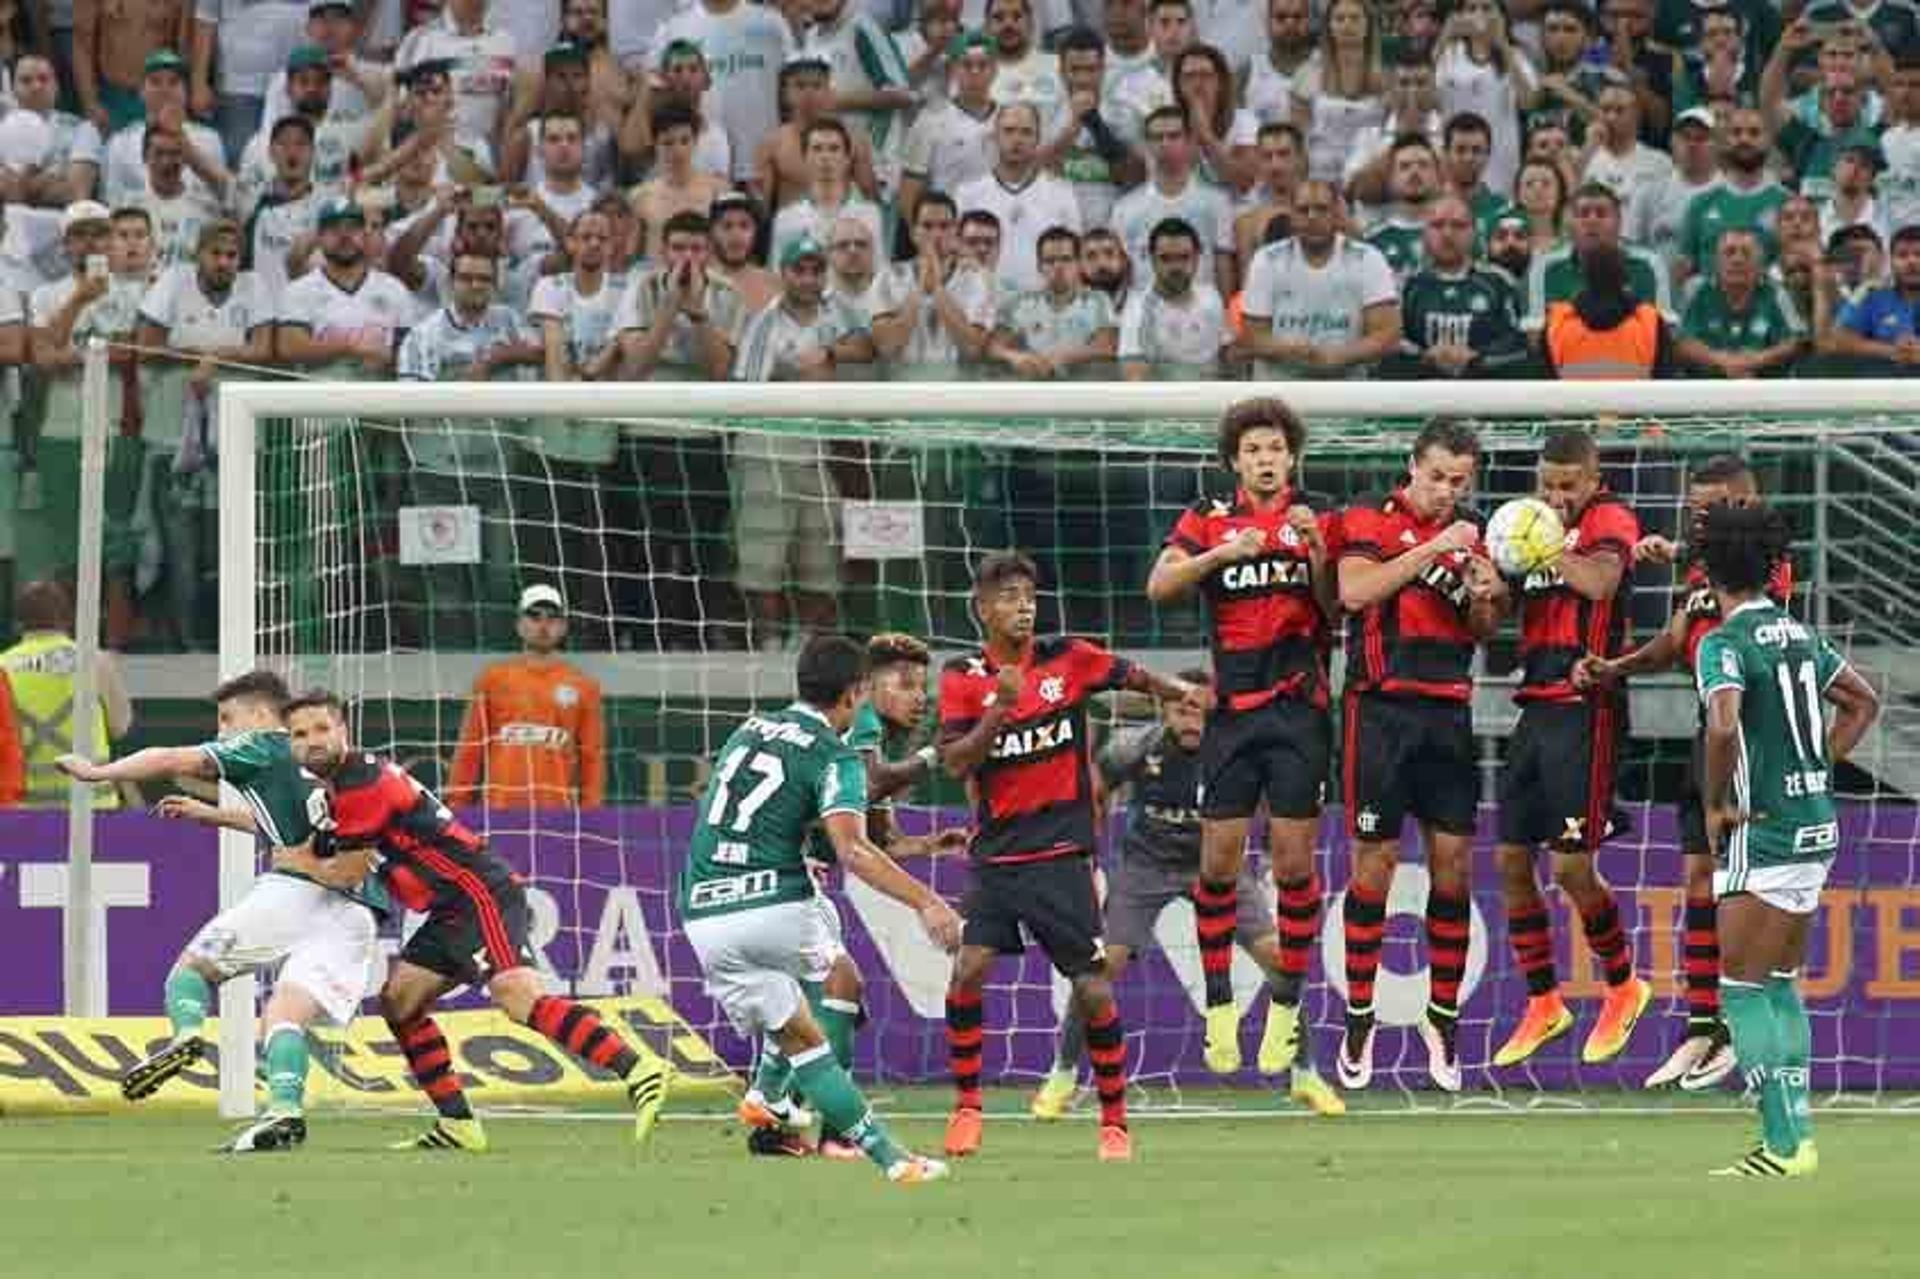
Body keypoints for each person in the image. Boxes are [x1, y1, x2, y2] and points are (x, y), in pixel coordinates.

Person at [291, 690, 668, 1152]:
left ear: (343, 731)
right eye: (300, 734)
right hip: (450, 907)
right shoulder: (343, 784)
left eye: (322, 729)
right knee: (399, 1002)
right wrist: (215, 813)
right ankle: (457, 1125)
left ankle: (638, 1068)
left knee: (516, 997)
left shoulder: (361, 785)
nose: (313, 741)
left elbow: (347, 874)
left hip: (479, 893)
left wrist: (294, 860)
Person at [938, 550, 1198, 1163]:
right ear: (982, 609)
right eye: (1008, 596)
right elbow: (955, 763)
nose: (1023, 605)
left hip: (1061, 854)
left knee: (1092, 986)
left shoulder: (1068, 657)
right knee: (968, 969)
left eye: (1029, 594)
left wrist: (1180, 691)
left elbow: (1132, 674)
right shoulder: (961, 676)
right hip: (998, 855)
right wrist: (999, 709)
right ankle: (968, 1109)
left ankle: (1114, 1122)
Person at [54, 671, 382, 1152]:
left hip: (294, 891)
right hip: (357, 910)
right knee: (285, 1014)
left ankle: (186, 1034)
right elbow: (286, 821)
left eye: (228, 719)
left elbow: (168, 758)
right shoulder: (333, 762)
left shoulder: (262, 744)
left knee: (191, 972)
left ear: (262, 715)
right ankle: (285, 1112)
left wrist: (99, 773)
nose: (222, 731)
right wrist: (211, 814)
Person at [686, 633, 960, 1183]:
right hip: (777, 902)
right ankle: (791, 1106)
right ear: (856, 692)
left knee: (802, 1035)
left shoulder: (748, 729)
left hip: (703, 912)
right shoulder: (837, 752)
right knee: (840, 980)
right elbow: (854, 849)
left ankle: (844, 1136)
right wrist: (927, 901)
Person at [1144, 398, 1340, 1089]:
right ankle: (1221, 1005)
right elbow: (1160, 583)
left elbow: (1337, 606)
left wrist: (1315, 548)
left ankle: (1286, 1004)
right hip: (1232, 714)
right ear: (1235, 460)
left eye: (1275, 448)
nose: (1265, 458)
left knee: (1292, 867)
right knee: (1219, 865)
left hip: (1298, 712)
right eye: (1253, 448)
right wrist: (1224, 552)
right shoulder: (1207, 519)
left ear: (1291, 457)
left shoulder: (1315, 515)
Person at [1575, 455, 1781, 1091]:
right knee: (1697, 876)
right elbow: (1673, 641)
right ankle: (1701, 1025)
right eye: (1692, 508)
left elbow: (1745, 626)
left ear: (1744, 507)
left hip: (1755, 738)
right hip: (1708, 730)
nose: (1695, 518)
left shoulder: (1767, 567)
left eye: (1709, 508)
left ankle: (1745, 1028)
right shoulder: (1699, 571)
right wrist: (1615, 666)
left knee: (1747, 887)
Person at [1692, 502, 1879, 1176]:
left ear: (1708, 568)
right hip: (1816, 824)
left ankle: (1779, 1143)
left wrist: (1716, 804)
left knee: (1741, 990)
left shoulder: (1724, 642)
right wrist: (1816, 766)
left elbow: (1722, 723)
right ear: (1772, 567)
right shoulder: (1799, 633)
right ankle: (1798, 1135)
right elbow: (1863, 702)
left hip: (1764, 831)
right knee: (1779, 983)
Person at [1336, 418, 1507, 1092]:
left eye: (1458, 482)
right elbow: (1354, 592)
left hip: (1447, 711)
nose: (1445, 490)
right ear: (1412, 466)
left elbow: (1486, 629)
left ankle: (1443, 1014)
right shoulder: (1366, 521)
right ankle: (1359, 1013)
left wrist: (1488, 593)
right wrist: (1435, 545)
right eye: (1436, 476)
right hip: (1378, 711)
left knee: (1455, 865)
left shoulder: (1475, 536)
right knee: (1374, 864)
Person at [1487, 429, 1653, 1071]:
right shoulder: (1527, 524)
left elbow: (1601, 584)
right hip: (1534, 702)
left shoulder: (1610, 518)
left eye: (1568, 486)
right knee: (1507, 862)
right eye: (1547, 486)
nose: (1556, 498)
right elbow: (1507, 608)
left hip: (1589, 707)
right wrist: (1489, 584)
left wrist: (1546, 545)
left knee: (1571, 868)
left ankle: (1621, 985)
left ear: (1592, 478)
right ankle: (1543, 1001)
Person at [732, 236, 874, 647]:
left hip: (818, 454)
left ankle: (812, 647)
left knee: (822, 558)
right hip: (768, 453)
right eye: (800, 270)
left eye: (816, 270)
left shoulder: (838, 310)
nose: (809, 279)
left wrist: (828, 354)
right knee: (764, 563)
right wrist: (795, 379)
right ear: (784, 273)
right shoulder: (764, 323)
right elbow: (745, 390)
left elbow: (867, 345)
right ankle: (770, 646)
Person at [445, 585, 605, 811]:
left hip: (558, 814)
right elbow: (470, 749)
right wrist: (455, 806)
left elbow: (592, 758)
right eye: (534, 616)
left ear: (563, 627)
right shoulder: (492, 679)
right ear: (519, 625)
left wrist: (592, 813)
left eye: (552, 618)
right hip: (499, 812)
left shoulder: (584, 686)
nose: (543, 625)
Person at [1235, 179, 1400, 380]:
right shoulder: (1267, 260)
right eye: (1303, 210)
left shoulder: (1367, 259)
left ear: (1336, 213)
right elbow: (1251, 338)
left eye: (1321, 209)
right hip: (1279, 390)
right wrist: (1290, 349)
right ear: (1291, 215)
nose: (1312, 217)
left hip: (1345, 390)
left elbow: (1387, 336)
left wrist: (1340, 356)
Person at [1, 580, 131, 808]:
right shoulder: (95, 661)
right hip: (94, 805)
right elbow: (120, 726)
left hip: (26, 811)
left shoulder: (4, 667)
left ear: (19, 622)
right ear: (68, 617)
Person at [1392, 194, 1529, 378]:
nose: (1447, 233)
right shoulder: (1405, 284)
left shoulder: (1500, 282)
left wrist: (1478, 357)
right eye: (1438, 225)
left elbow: (1520, 342)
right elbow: (1389, 340)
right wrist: (1424, 356)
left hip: (1486, 395)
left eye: (1458, 225)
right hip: (1420, 395)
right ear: (1424, 232)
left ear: (1474, 233)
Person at [1111, 105, 1235, 297]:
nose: (1165, 143)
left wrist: (1224, 314)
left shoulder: (1217, 202)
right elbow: (1123, 272)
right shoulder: (1124, 208)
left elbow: (1223, 264)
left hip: (1201, 313)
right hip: (1145, 314)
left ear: (1190, 141)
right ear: (1146, 145)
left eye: (1173, 136)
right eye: (1157, 137)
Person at [1675, 228, 1811, 378]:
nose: (1737, 259)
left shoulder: (1776, 292)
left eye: (1746, 253)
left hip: (1763, 389)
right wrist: (1722, 360)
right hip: (1705, 390)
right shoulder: (1696, 289)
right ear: (1716, 261)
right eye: (1729, 252)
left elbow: (1794, 342)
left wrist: (1756, 360)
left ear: (1761, 264)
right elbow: (1681, 341)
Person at [987, 226, 1117, 379]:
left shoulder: (1098, 300)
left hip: (1082, 389)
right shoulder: (1020, 302)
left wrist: (1061, 358)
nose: (1058, 267)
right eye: (1050, 261)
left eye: (1066, 259)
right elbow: (993, 347)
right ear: (1039, 267)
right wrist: (1016, 357)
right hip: (1034, 386)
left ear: (1079, 264)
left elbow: (1107, 347)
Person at [1117, 215, 1230, 379]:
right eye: (1165, 258)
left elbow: (1225, 356)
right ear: (1151, 259)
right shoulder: (1138, 309)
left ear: (1198, 257)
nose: (1176, 267)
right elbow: (1134, 377)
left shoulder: (1211, 297)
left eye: (1184, 257)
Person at [1544, 242, 1674, 378]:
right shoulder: (1650, 323)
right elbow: (1665, 383)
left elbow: (1544, 385)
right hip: (1635, 399)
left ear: (1584, 275)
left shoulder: (1558, 323)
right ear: (1624, 275)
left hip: (1574, 400)